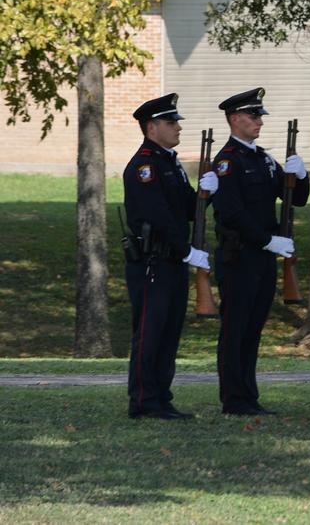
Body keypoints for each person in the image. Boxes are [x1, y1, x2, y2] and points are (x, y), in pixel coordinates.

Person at [212, 88, 310, 415]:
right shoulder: (227, 162)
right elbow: (231, 212)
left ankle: (248, 395)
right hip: (239, 257)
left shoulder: (264, 159)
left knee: (253, 329)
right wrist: (267, 240)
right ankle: (234, 398)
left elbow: (294, 198)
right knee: (236, 329)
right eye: (254, 116)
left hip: (264, 258)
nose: (259, 122)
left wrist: (301, 175)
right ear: (235, 119)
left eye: (260, 116)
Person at [123, 93, 217, 420]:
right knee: (151, 332)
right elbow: (159, 216)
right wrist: (187, 250)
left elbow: (189, 209)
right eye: (170, 122)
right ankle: (144, 400)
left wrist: (208, 192)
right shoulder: (145, 166)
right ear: (152, 127)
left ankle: (161, 396)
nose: (177, 127)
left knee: (168, 333)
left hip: (172, 261)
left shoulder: (169, 163)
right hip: (153, 262)